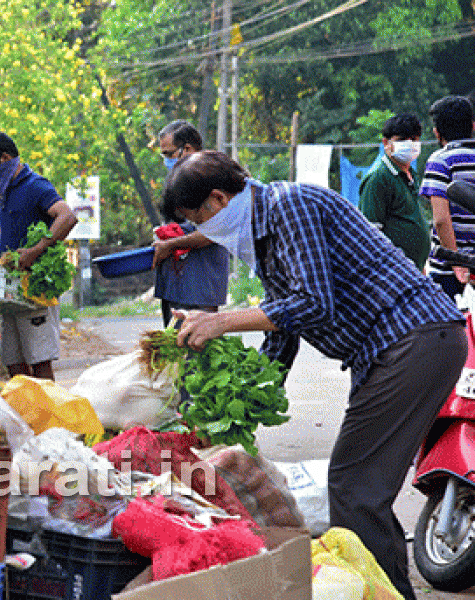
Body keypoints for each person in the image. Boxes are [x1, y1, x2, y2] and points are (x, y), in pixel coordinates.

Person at [162, 150, 464, 600]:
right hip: (397, 348)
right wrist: (242, 407)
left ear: (219, 199)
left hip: (412, 339)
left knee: (355, 488)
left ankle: (389, 594)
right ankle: (387, 588)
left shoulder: (289, 206)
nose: (201, 232)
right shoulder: (263, 236)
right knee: (359, 488)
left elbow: (313, 302)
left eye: (197, 219)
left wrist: (222, 321)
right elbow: (285, 332)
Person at [0, 131, 77, 381]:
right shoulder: (4, 193)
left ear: (5, 158)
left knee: (40, 363)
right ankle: (26, 416)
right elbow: (5, 243)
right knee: (14, 363)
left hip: (36, 291)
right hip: (11, 292)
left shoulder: (35, 185)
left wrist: (37, 249)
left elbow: (67, 216)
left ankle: (48, 416)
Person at [150, 121, 230, 325]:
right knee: (173, 346)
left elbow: (215, 231)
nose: (166, 161)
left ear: (187, 149)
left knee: (196, 345)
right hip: (174, 282)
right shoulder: (176, 180)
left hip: (200, 283)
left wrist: (171, 244)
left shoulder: (213, 176)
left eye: (169, 154)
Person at [358, 113, 429, 270]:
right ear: (386, 143)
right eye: (402, 140)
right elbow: (370, 234)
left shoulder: (410, 174)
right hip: (394, 273)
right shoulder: (378, 178)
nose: (409, 144)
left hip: (415, 270)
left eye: (414, 139)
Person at [421, 95, 475, 300]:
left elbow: (442, 220)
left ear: (437, 132)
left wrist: (457, 264)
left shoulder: (441, 161)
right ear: (472, 125)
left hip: (449, 271)